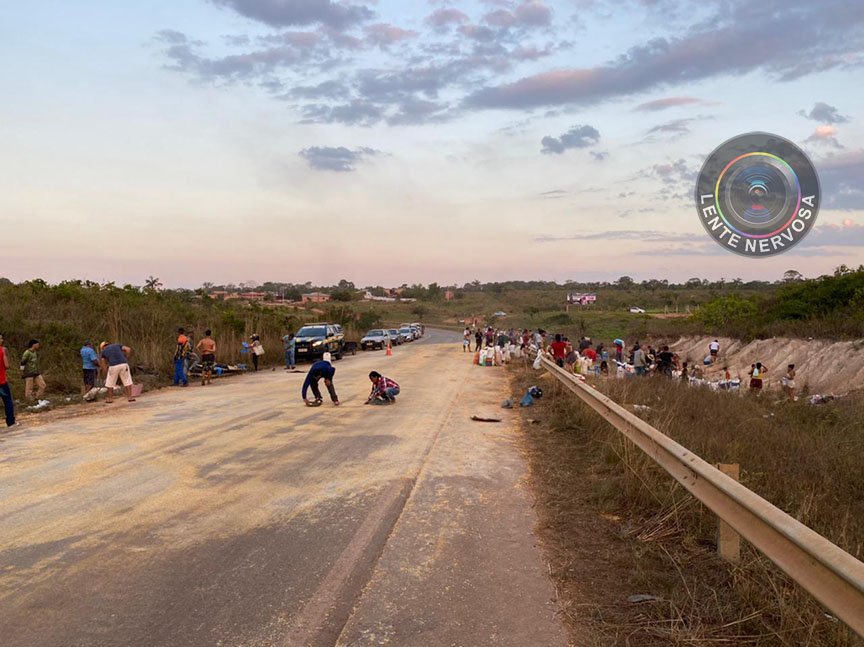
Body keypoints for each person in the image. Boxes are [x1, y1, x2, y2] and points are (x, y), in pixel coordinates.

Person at [1, 333, 17, 428]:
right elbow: (7, 365)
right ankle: (11, 422)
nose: (2, 340)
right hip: (2, 382)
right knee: (7, 402)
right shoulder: (2, 350)